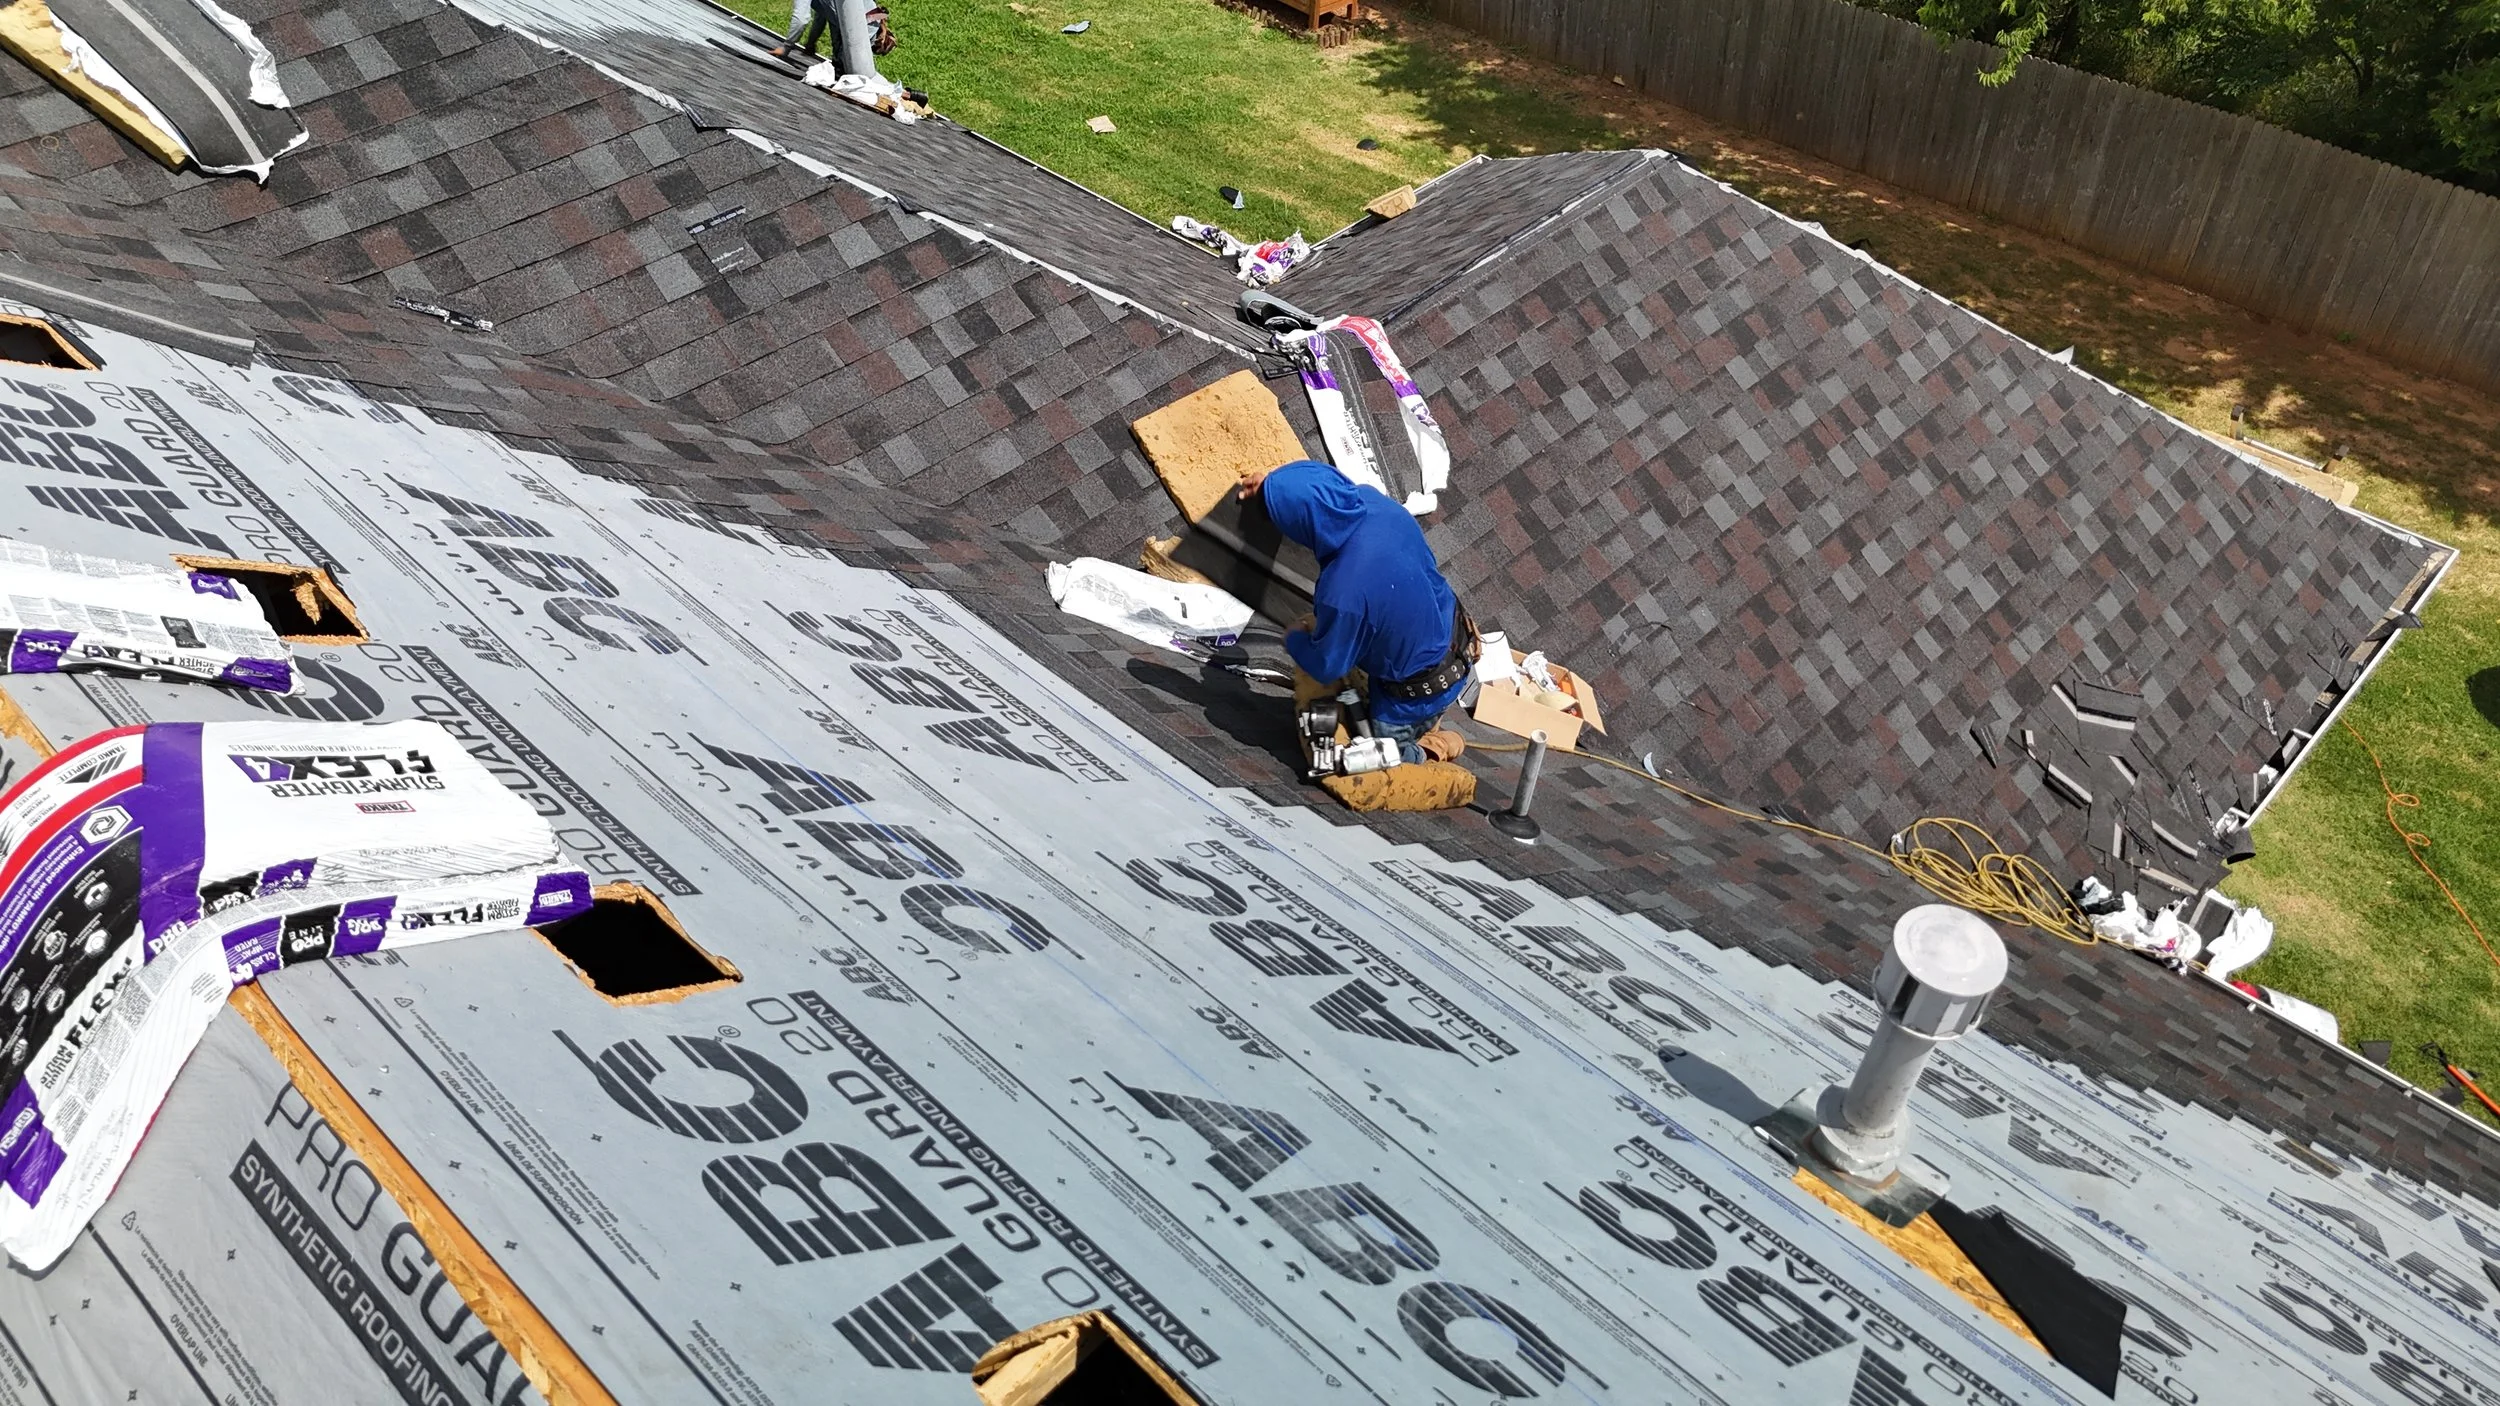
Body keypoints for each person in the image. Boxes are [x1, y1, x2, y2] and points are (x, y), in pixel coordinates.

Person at [1243, 459, 1469, 764]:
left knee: (1372, 754)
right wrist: (1271, 488)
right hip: (1457, 641)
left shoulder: (1343, 592)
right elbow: (1310, 488)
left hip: (1415, 693)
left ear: (1303, 525)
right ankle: (1425, 721)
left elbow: (1327, 666)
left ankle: (1429, 749)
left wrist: (1294, 639)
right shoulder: (1377, 503)